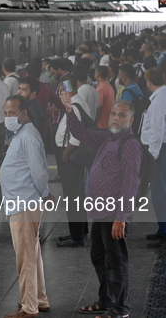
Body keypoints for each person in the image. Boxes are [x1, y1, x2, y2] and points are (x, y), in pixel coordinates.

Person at [62, 95, 142, 318]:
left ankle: (121, 308)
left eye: (122, 115)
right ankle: (106, 300)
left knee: (116, 262)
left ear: (131, 120)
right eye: (114, 114)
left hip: (113, 214)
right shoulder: (108, 137)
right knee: (99, 257)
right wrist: (69, 110)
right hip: (99, 212)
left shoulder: (130, 145)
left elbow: (130, 183)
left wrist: (121, 218)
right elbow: (82, 134)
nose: (116, 118)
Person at [0, 95, 50, 318]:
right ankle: (39, 300)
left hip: (24, 203)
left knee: (25, 257)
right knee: (33, 253)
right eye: (6, 113)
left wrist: (44, 194)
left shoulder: (28, 136)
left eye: (12, 113)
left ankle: (29, 308)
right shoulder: (22, 134)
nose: (8, 117)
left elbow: (38, 171)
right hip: (22, 201)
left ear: (24, 113)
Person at [55, 74, 90, 247]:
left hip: (70, 155)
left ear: (67, 87)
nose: (60, 90)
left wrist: (66, 154)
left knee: (72, 196)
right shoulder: (77, 102)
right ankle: (80, 232)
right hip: (71, 154)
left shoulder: (74, 105)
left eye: (62, 87)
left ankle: (76, 236)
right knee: (77, 195)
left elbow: (77, 136)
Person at [141, 68, 166, 248]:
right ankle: (162, 227)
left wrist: (153, 156)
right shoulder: (162, 95)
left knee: (160, 192)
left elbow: (158, 131)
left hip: (159, 150)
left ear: (149, 83)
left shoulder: (158, 102)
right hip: (162, 149)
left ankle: (164, 231)